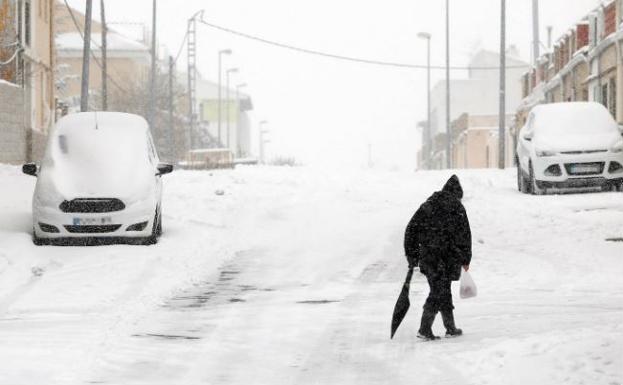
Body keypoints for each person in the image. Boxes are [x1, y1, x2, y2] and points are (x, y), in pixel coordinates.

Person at [404, 175, 472, 341]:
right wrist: (465, 259)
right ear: (457, 194)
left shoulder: (428, 206)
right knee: (439, 291)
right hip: (447, 258)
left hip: (429, 257)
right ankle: (424, 328)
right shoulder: (457, 208)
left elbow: (411, 230)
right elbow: (465, 236)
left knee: (443, 290)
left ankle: (450, 327)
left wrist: (412, 255)